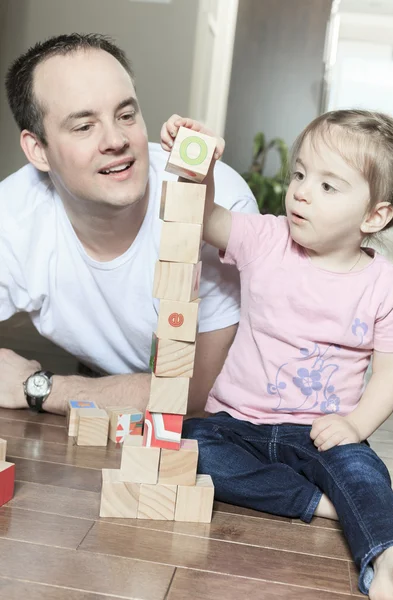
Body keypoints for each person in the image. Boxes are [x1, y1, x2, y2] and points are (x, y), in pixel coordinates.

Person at [160, 111, 393, 598]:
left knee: (365, 470)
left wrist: (354, 427)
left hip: (320, 431)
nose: (302, 191)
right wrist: (199, 169)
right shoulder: (266, 239)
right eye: (299, 174)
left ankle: (389, 558)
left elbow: (391, 373)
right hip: (234, 421)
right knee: (187, 447)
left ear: (375, 215)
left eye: (328, 186)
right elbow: (206, 219)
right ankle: (319, 502)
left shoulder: (385, 284)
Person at [0, 33, 258, 415]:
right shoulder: (13, 215)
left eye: (126, 115)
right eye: (83, 126)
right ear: (38, 150)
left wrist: (41, 388)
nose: (117, 140)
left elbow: (197, 394)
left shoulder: (214, 204)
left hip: (249, 420)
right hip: (114, 401)